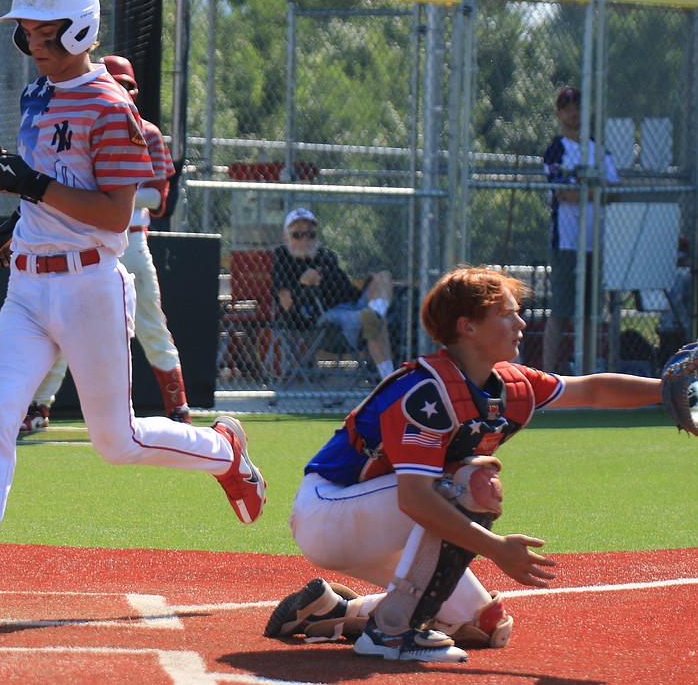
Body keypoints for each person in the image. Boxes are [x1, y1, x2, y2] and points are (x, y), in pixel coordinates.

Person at [0, 0, 265, 608]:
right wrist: (22, 223)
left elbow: (114, 217)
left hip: (90, 287)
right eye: (28, 33)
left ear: (82, 30)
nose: (35, 44)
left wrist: (33, 190)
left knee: (117, 443)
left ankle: (224, 452)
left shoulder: (110, 107)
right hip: (26, 285)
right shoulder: (37, 95)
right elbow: (52, 188)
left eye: (47, 32)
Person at [262, 266, 662, 663]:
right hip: (329, 511)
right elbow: (416, 499)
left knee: (484, 625)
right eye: (507, 313)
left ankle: (334, 611)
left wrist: (668, 389)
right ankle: (391, 633)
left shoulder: (509, 383)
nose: (520, 321)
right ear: (467, 327)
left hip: (381, 519)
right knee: (472, 483)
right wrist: (496, 549)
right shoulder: (425, 391)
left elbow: (591, 390)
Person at [20, 54, 190, 434]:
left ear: (135, 90)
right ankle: (38, 408)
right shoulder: (83, 121)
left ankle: (178, 408)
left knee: (149, 325)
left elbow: (159, 201)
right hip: (83, 242)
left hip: (129, 240)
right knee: (62, 326)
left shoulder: (147, 131)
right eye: (116, 83)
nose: (122, 90)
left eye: (127, 85)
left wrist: (109, 190)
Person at [541, 86, 620, 374]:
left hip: (595, 243)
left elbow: (615, 191)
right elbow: (564, 194)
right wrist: (595, 189)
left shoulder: (599, 149)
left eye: (578, 107)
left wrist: (586, 188)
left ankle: (587, 374)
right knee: (561, 311)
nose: (573, 113)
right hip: (566, 243)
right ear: (559, 114)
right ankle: (547, 375)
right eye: (567, 107)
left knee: (590, 313)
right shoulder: (556, 150)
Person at [271, 207, 396, 380]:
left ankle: (376, 312)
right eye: (298, 235)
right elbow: (286, 303)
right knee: (373, 323)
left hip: (354, 304)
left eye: (310, 234)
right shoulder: (282, 259)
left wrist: (369, 283)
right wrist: (302, 284)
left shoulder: (326, 256)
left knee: (383, 276)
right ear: (286, 238)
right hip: (329, 317)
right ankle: (388, 379)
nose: (305, 239)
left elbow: (347, 289)